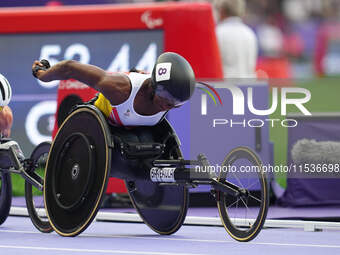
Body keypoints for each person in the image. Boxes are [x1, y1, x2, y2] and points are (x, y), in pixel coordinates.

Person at [32, 52, 196, 127]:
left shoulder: (173, 97)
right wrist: (42, 74)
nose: (168, 106)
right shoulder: (120, 89)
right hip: (103, 121)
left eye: (175, 103)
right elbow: (70, 68)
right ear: (153, 87)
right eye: (166, 99)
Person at [213, 0, 258, 78]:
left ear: (222, 10)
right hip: (249, 86)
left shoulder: (218, 33)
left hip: (226, 86)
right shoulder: (249, 33)